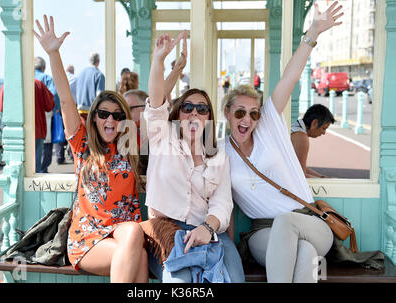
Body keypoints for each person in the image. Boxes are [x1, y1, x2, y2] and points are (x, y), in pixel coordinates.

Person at [221, 2, 344, 283]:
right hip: (263, 232)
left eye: (253, 113)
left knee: (289, 223)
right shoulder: (221, 151)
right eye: (239, 112)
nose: (247, 119)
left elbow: (290, 76)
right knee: (304, 255)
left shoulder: (268, 127)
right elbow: (222, 201)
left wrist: (312, 34)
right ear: (227, 113)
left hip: (309, 221)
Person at [33, 15, 148, 283]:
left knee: (134, 238)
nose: (111, 120)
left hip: (123, 234)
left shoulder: (130, 145)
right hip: (88, 238)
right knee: (136, 247)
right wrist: (53, 53)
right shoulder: (83, 144)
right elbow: (64, 99)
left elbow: (156, 105)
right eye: (105, 114)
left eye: (118, 116)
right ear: (94, 116)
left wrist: (169, 66)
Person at [145, 30, 244, 283]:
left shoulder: (218, 156)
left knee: (232, 278)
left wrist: (207, 228)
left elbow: (223, 203)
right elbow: (156, 104)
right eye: (187, 107)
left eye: (202, 109)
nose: (194, 113)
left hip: (209, 232)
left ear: (208, 117)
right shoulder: (162, 138)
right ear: (178, 114)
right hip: (167, 232)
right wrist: (159, 61)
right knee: (181, 282)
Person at [0, 80, 55, 173]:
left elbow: (1, 108)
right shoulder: (38, 84)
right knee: (35, 167)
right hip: (36, 129)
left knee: (15, 166)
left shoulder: (8, 84)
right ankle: (34, 186)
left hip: (15, 132)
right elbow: (49, 105)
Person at [34, 56, 65, 170]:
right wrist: (56, 108)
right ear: (43, 67)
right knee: (45, 143)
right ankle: (42, 169)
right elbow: (54, 96)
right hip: (44, 115)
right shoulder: (46, 78)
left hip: (27, 117)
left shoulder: (26, 78)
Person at [291, 104, 335, 178]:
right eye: (324, 128)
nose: (324, 133)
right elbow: (300, 175)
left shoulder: (294, 127)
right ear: (314, 123)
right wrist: (327, 182)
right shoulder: (300, 136)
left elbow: (300, 167)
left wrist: (322, 177)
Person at [75, 52, 106, 122]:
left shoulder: (80, 74)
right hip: (92, 113)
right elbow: (99, 96)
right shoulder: (99, 75)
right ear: (98, 61)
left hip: (80, 112)